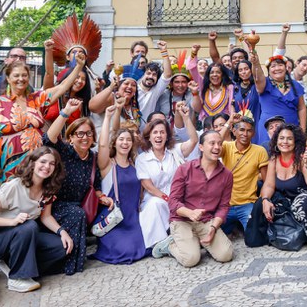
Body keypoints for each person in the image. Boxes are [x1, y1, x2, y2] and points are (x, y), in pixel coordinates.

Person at [0, 52, 86, 238]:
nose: (21, 79)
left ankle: (27, 237)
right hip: (5, 165)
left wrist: (78, 67)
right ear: (8, 78)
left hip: (34, 166)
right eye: (16, 76)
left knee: (30, 200)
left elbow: (62, 87)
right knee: (4, 199)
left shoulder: (36, 100)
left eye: (24, 75)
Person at [0, 146, 71, 293]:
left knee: (60, 247)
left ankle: (10, 265)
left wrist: (61, 231)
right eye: (43, 162)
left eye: (52, 164)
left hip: (22, 236)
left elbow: (46, 217)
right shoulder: (14, 186)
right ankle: (17, 278)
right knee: (30, 226)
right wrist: (12, 221)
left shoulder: (48, 190)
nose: (47, 167)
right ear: (33, 163)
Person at [43, 98, 113, 275]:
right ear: (71, 137)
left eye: (89, 134)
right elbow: (48, 139)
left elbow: (95, 185)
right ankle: (66, 263)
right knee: (77, 214)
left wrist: (102, 197)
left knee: (82, 213)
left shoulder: (92, 158)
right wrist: (65, 112)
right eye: (80, 134)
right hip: (56, 204)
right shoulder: (65, 152)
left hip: (78, 206)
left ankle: (73, 262)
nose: (85, 138)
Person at [151, 130, 234, 267]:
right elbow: (173, 202)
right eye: (212, 143)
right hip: (182, 219)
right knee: (191, 260)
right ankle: (171, 246)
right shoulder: (185, 169)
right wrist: (190, 213)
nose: (217, 147)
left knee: (226, 255)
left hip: (207, 221)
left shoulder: (226, 175)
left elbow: (224, 206)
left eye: (219, 143)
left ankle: (194, 241)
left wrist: (213, 228)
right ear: (201, 147)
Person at [257, 124, 307, 248]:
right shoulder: (274, 159)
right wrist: (266, 200)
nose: (285, 142)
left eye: (289, 138)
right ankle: (270, 235)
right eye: (281, 138)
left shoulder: (301, 158)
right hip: (288, 199)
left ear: (296, 141)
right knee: (261, 202)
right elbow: (268, 185)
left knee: (302, 203)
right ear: (276, 141)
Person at [89, 104, 147, 264]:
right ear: (114, 143)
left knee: (143, 246)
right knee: (126, 251)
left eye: (128, 140)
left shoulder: (136, 165)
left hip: (133, 218)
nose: (125, 143)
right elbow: (101, 145)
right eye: (121, 139)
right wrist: (107, 117)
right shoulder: (107, 165)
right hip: (114, 219)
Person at [136, 106, 198, 250]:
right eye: (155, 132)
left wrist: (186, 118)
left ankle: (174, 239)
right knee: (155, 205)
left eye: (162, 132)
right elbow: (148, 186)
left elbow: (194, 140)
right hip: (156, 198)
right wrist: (168, 199)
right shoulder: (142, 158)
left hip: (178, 197)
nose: (159, 136)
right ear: (149, 136)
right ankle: (159, 243)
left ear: (167, 136)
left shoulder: (175, 151)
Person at [216, 114, 269, 234]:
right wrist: (229, 122)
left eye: (249, 130)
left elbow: (267, 181)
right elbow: (214, 142)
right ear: (234, 131)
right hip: (226, 205)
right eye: (242, 130)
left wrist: (264, 202)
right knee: (212, 234)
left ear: (254, 133)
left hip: (247, 204)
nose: (245, 134)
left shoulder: (260, 151)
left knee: (254, 238)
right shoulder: (226, 147)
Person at [250, 47, 306, 148]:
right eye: (273, 66)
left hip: (291, 128)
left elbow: (302, 108)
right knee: (267, 155)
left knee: (291, 158)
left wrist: (303, 130)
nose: (277, 68)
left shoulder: (295, 85)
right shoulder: (265, 83)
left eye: (280, 65)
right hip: (268, 129)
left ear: (286, 68)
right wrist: (255, 62)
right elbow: (257, 75)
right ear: (268, 70)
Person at [232, 59, 262, 143]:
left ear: (251, 69)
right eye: (240, 70)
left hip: (256, 124)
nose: (243, 72)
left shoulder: (257, 85)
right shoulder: (235, 87)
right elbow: (232, 104)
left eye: (246, 69)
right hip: (240, 126)